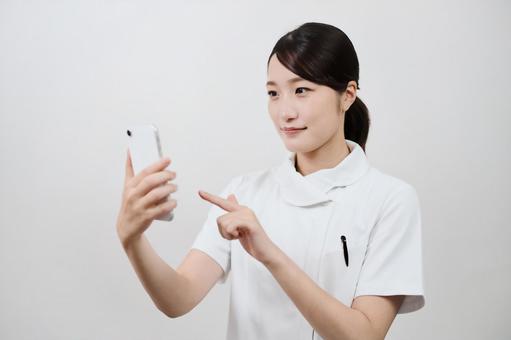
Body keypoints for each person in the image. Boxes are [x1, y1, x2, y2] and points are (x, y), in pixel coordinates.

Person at [116, 22, 425, 340]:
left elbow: (364, 335)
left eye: (301, 90)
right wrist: (132, 239)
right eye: (273, 93)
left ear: (347, 95)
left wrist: (269, 254)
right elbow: (177, 298)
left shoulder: (390, 199)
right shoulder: (242, 194)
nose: (284, 112)